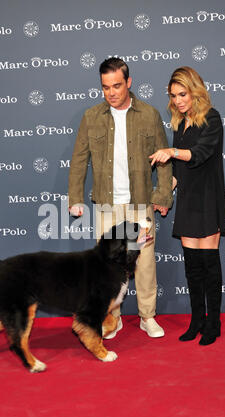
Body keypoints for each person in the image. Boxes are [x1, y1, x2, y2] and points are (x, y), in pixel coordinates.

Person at [68, 58, 173, 339]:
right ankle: (112, 318)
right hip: (106, 203)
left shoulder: (149, 114)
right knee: (106, 267)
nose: (111, 92)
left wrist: (163, 195)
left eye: (116, 85)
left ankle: (147, 316)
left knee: (146, 263)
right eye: (105, 87)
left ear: (128, 82)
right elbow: (79, 160)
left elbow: (164, 158)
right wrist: (75, 198)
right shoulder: (91, 117)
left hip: (140, 202)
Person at [149, 66, 225, 345]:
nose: (178, 100)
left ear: (195, 90)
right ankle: (197, 319)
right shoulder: (180, 124)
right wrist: (163, 196)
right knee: (192, 267)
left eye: (182, 94)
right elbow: (179, 172)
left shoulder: (212, 118)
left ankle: (214, 322)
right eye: (173, 96)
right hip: (186, 200)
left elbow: (200, 154)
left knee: (209, 265)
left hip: (207, 199)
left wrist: (171, 151)